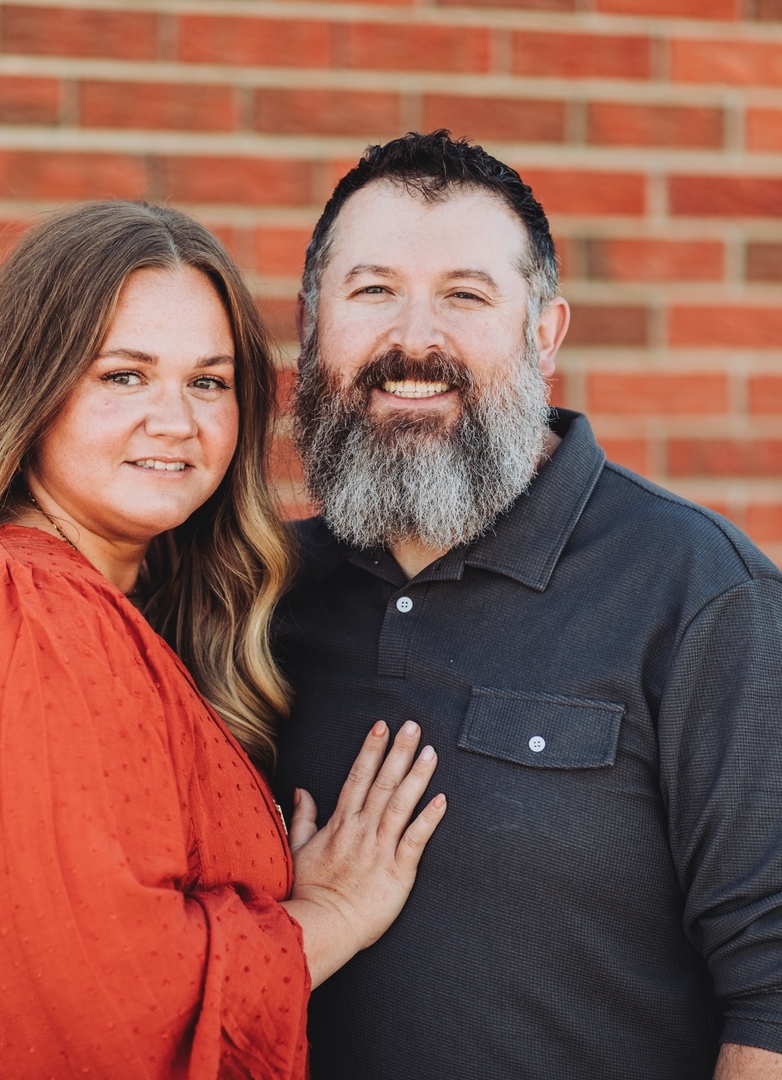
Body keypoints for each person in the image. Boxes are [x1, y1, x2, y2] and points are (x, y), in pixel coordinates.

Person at [0, 201, 447, 1079]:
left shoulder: (85, 603)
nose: (176, 420)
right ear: (29, 393)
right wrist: (334, 912)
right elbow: (107, 1021)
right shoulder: (19, 613)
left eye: (209, 381)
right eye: (124, 375)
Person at [272, 131, 782, 1080]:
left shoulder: (701, 592)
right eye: (372, 289)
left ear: (543, 333)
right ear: (314, 325)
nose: (413, 340)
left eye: (466, 295)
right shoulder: (258, 595)